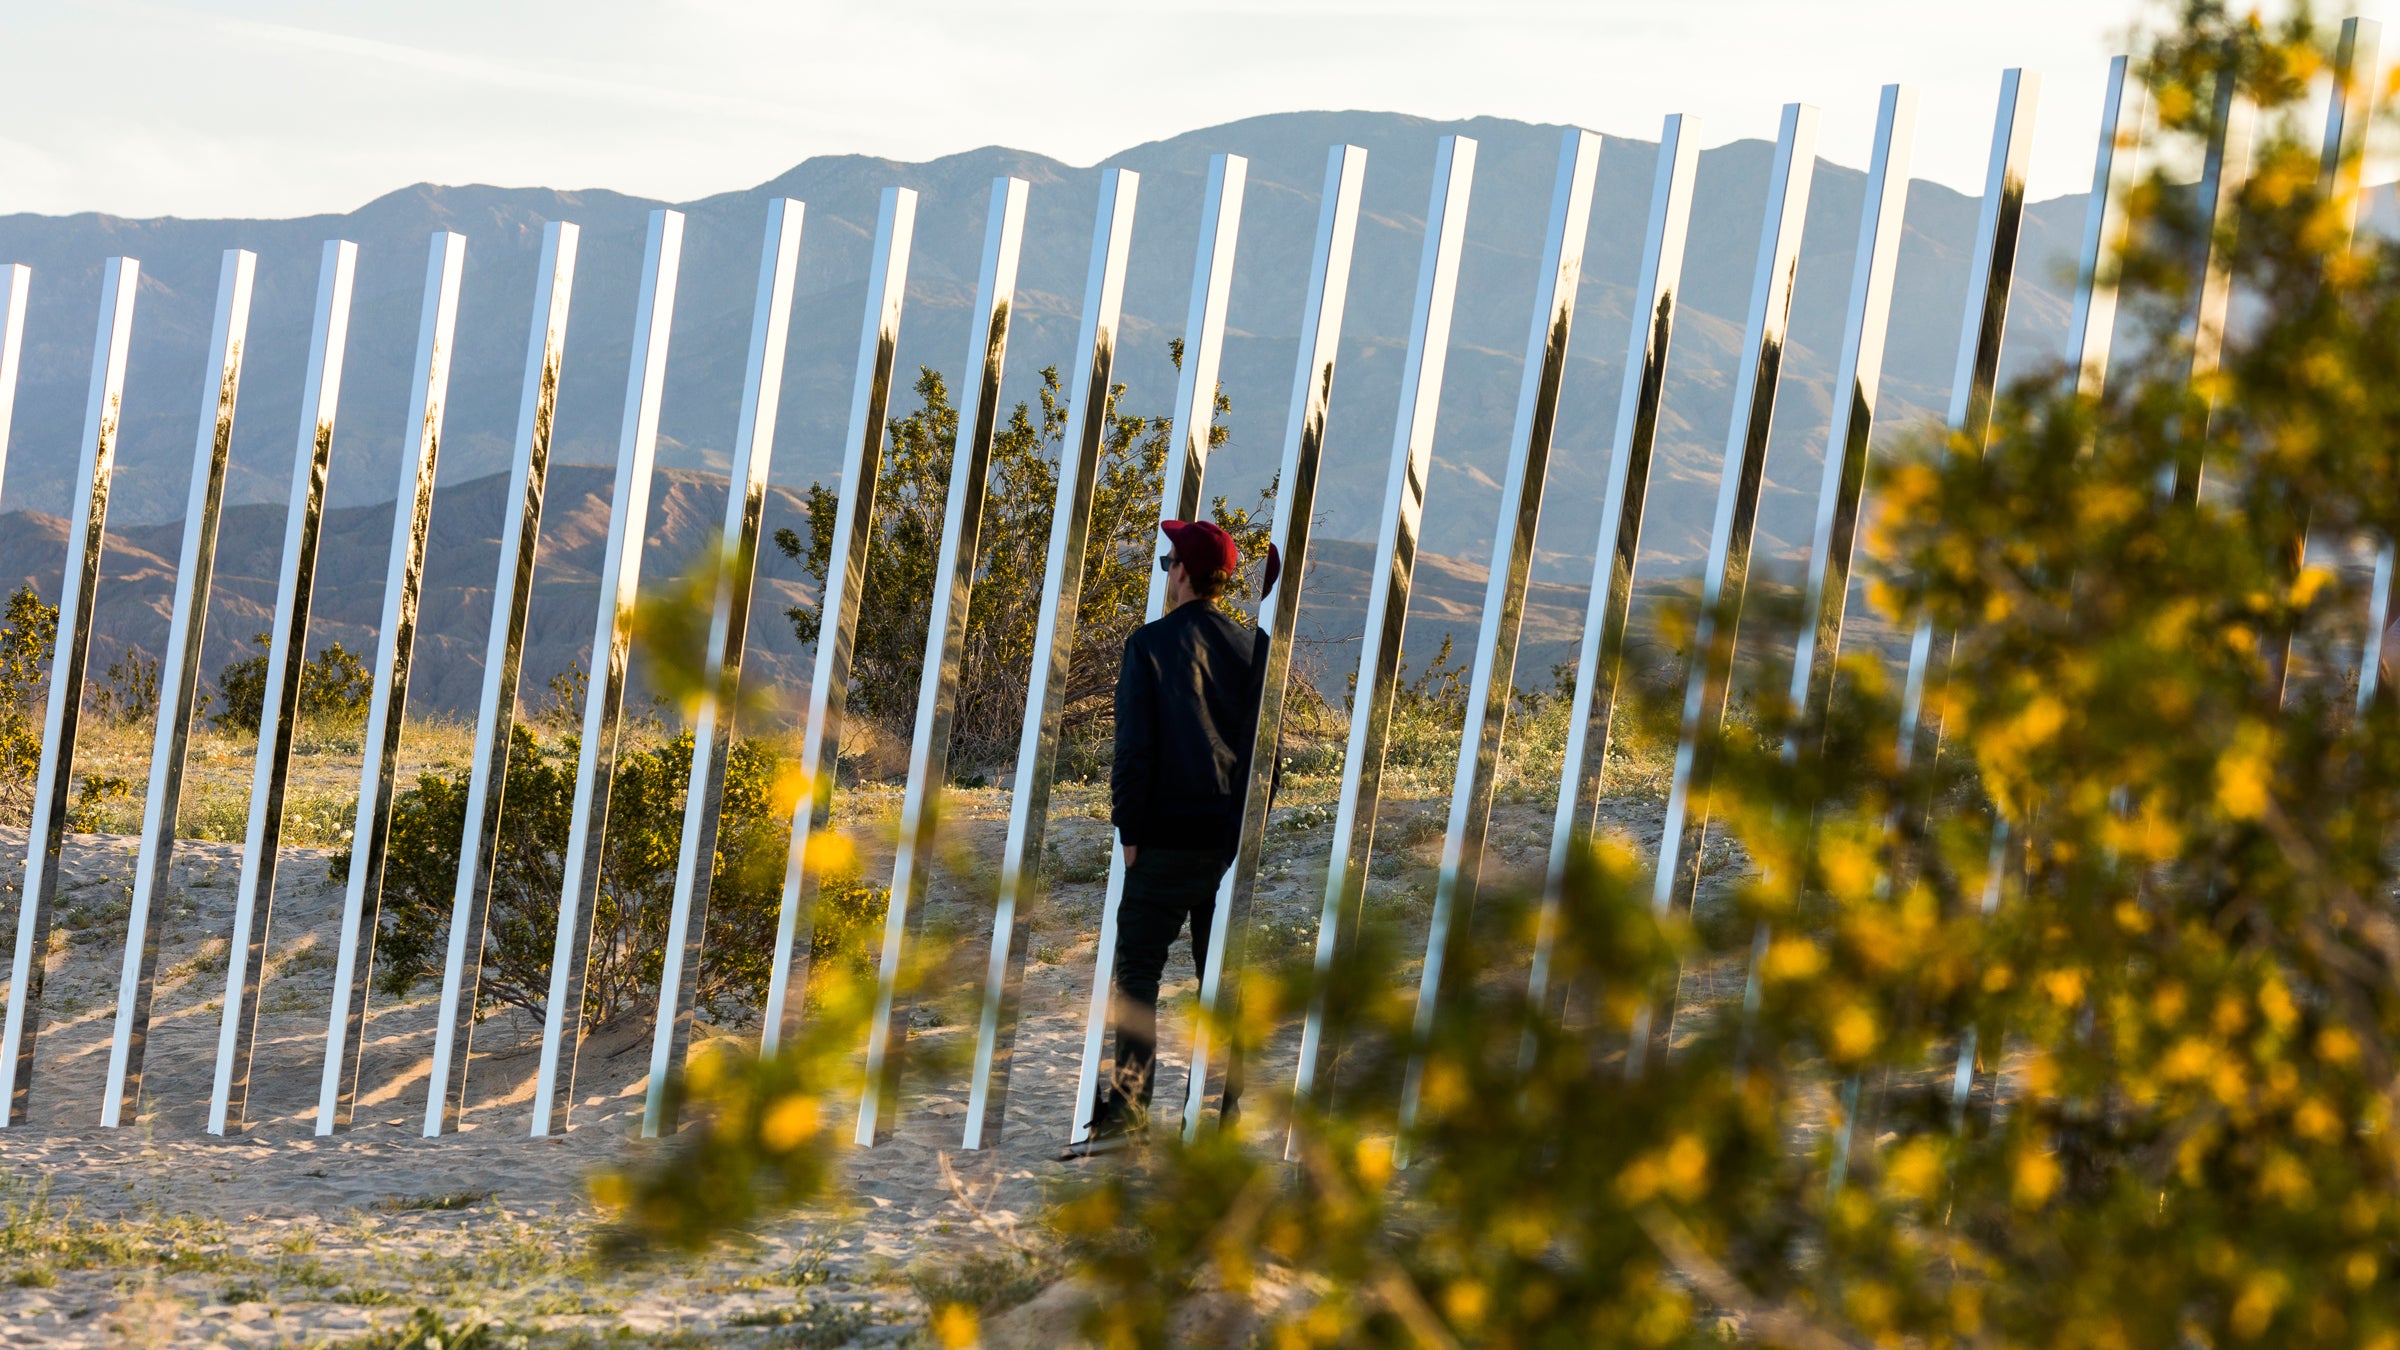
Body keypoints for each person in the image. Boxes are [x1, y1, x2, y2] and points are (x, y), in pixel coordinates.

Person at [1066, 518, 1276, 1158]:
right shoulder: (1254, 649)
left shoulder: (1150, 646)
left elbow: (1134, 749)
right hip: (1225, 842)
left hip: (1162, 841)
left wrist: (1130, 832)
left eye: (1166, 564)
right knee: (1220, 979)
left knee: (1138, 977)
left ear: (1184, 572)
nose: (1166, 575)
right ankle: (1225, 1109)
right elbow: (1264, 754)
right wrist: (1248, 831)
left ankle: (1129, 1109)